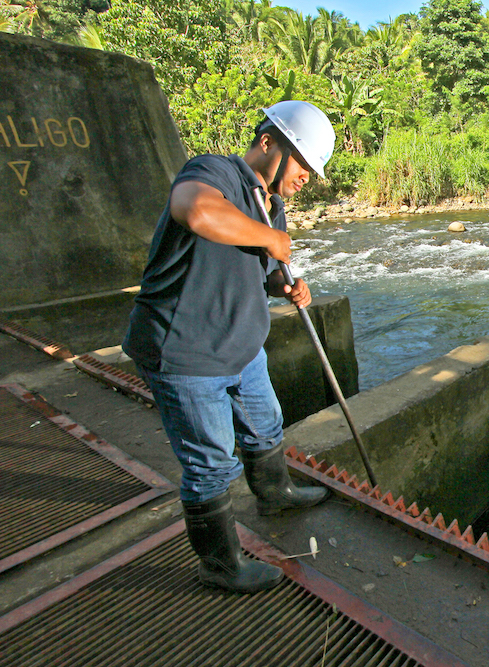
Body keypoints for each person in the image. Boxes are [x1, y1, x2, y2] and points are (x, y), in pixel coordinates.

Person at [123, 101, 337, 593]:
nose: (307, 176)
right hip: (186, 353)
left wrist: (284, 286)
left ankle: (275, 493)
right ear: (269, 144)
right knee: (211, 462)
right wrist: (269, 238)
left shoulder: (273, 207)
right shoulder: (214, 171)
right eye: (302, 163)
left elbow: (253, 269)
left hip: (241, 347)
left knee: (266, 425)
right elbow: (196, 210)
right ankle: (219, 565)